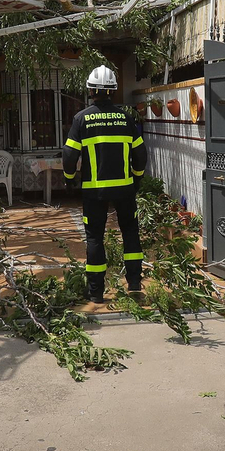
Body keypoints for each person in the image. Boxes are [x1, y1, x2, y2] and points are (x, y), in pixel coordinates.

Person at [62, 65, 146, 303]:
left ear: (90, 90)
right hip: (125, 190)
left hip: (94, 192)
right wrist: (137, 178)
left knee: (95, 237)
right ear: (114, 91)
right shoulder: (126, 118)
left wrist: (69, 180)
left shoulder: (82, 119)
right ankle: (134, 283)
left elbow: (69, 155)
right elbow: (141, 154)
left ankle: (96, 293)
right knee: (130, 232)